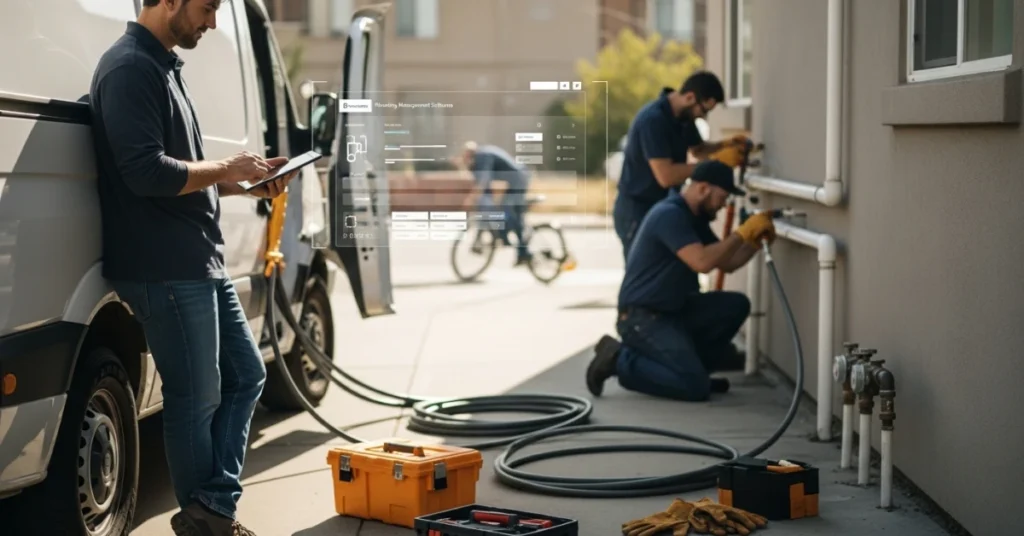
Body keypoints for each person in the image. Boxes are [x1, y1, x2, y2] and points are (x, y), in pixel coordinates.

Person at [88, 1, 299, 534]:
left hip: (196, 259)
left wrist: (244, 180)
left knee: (248, 375)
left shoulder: (161, 65)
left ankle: (213, 507)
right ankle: (210, 521)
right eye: (206, 9)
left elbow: (183, 169)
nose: (210, 23)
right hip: (165, 265)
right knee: (194, 397)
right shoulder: (130, 67)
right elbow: (145, 173)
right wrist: (226, 167)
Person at [585, 161, 776, 402]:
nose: (723, 204)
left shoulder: (694, 217)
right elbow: (702, 262)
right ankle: (618, 359)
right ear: (704, 188)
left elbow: (726, 262)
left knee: (736, 305)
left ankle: (693, 375)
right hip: (642, 317)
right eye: (722, 197)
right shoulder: (670, 215)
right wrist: (741, 233)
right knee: (694, 388)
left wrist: (755, 242)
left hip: (674, 311)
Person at [614, 71, 750, 259]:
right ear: (689, 97)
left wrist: (724, 145)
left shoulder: (683, 118)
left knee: (666, 270)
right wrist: (717, 161)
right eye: (703, 111)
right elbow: (666, 176)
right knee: (644, 269)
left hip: (661, 205)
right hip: (637, 209)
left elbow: (698, 150)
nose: (702, 117)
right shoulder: (653, 120)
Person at [460, 141, 533, 265]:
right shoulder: (481, 157)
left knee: (508, 211)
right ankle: (520, 251)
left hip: (519, 179)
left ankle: (515, 246)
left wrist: (472, 199)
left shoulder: (482, 156)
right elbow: (486, 188)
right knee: (507, 212)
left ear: (470, 153)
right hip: (517, 178)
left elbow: (483, 182)